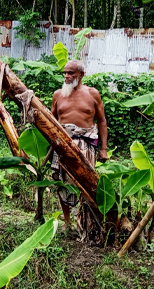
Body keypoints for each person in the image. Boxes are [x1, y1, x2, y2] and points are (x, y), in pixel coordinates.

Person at [51, 60, 108, 235]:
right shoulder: (58, 95)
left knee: (86, 183)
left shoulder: (93, 94)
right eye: (65, 73)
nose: (67, 76)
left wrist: (104, 148)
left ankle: (84, 221)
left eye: (71, 73)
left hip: (86, 145)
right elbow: (50, 122)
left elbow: (102, 121)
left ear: (81, 75)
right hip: (62, 145)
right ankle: (67, 223)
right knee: (63, 183)